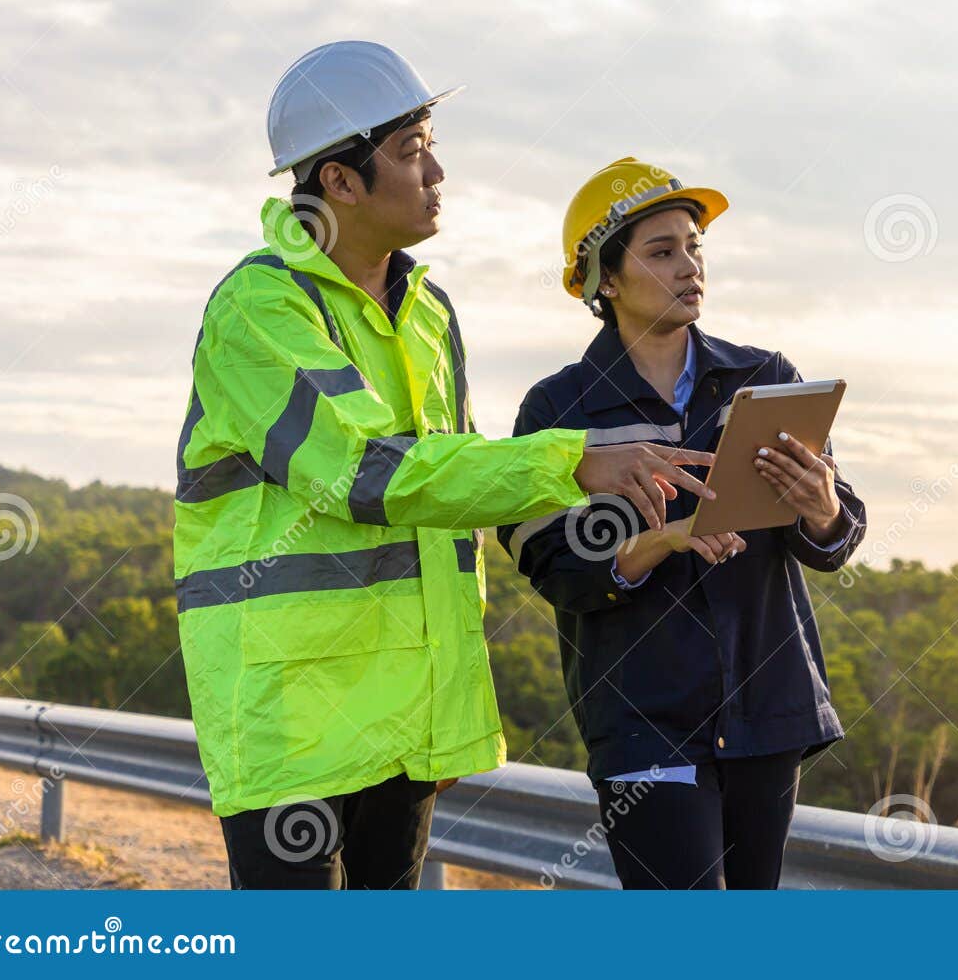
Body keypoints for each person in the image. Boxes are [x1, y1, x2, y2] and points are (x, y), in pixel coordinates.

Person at [174, 46, 713, 889]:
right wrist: (575, 460)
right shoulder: (259, 309)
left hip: (405, 726)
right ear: (340, 182)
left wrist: (445, 714)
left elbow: (456, 490)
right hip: (294, 723)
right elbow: (366, 473)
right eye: (412, 148)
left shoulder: (428, 309)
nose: (437, 170)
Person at [498, 157, 867, 889]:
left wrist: (821, 503)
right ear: (605, 278)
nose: (689, 266)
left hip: (766, 714)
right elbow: (556, 572)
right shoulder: (555, 412)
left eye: (694, 247)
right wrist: (665, 537)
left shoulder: (765, 376)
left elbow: (835, 534)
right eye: (662, 252)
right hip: (645, 724)